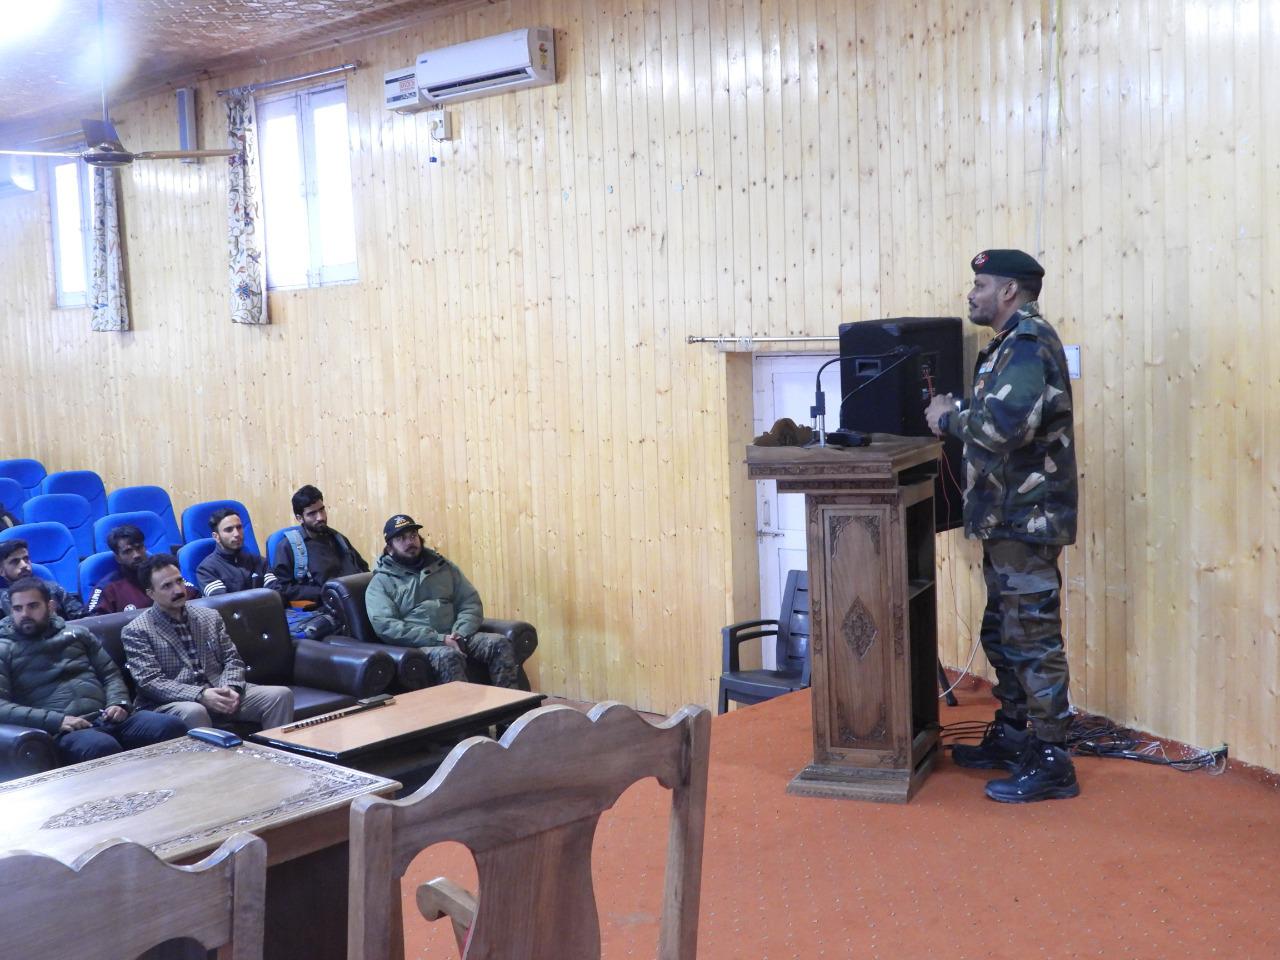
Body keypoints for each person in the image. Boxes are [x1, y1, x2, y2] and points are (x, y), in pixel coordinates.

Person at [925, 248, 1079, 804]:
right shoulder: (1006, 348)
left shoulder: (1029, 344)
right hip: (1005, 518)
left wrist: (948, 418)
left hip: (1027, 520)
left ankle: (1052, 758)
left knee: (1033, 639)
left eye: (981, 284)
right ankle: (1017, 737)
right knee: (1004, 634)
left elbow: (1002, 427)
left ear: (1009, 291)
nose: (971, 293)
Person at [0, 577, 185, 764]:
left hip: (107, 717)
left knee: (170, 726)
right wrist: (56, 721)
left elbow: (110, 674)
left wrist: (119, 703)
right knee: (101, 746)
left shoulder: (77, 634)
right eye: (18, 608)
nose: (25, 614)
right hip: (63, 731)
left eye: (33, 606)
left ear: (50, 606)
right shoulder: (4, 649)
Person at [121, 554, 293, 730]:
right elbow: (151, 682)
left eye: (179, 581)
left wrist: (231, 688)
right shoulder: (137, 630)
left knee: (280, 695)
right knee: (195, 711)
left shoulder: (208, 616)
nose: (178, 590)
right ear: (151, 593)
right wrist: (200, 695)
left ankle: (275, 756)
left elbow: (232, 659)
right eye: (167, 586)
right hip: (173, 703)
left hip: (218, 690)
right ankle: (212, 759)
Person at [366, 514, 518, 688]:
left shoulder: (443, 567)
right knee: (448, 656)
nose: (410, 542)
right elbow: (387, 626)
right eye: (401, 538)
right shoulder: (380, 583)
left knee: (499, 644)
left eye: (413, 535)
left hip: (458, 635)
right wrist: (439, 639)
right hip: (421, 646)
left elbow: (470, 602)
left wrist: (460, 633)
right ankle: (467, 715)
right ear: (390, 548)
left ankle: (512, 708)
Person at [272, 485, 367, 605]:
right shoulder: (288, 547)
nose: (320, 517)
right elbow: (284, 588)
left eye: (322, 510)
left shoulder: (339, 539)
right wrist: (322, 592)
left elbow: (363, 568)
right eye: (312, 514)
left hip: (355, 599)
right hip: (321, 607)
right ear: (299, 518)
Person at [87, 523, 197, 614]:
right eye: (128, 551)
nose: (136, 555)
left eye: (139, 548)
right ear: (118, 558)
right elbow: (95, 623)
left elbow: (198, 599)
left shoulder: (166, 575)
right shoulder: (108, 588)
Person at [197, 507, 280, 597]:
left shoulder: (260, 561)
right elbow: (223, 605)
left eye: (239, 527)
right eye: (229, 530)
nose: (236, 534)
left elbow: (277, 596)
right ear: (216, 536)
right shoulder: (206, 570)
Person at [0, 539, 84, 620]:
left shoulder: (53, 588)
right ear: (1, 571)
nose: (24, 565)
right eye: (15, 561)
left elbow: (83, 618)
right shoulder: (1, 601)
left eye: (26, 559)